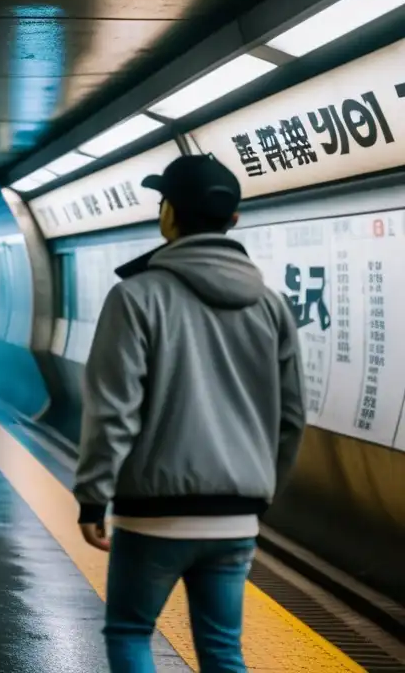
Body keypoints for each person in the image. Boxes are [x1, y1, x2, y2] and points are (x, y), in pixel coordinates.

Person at [74, 154, 307, 672]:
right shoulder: (272, 306)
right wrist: (259, 495)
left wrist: (93, 498)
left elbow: (113, 409)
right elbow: (292, 418)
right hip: (237, 513)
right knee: (223, 649)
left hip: (152, 514)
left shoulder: (135, 297)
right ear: (234, 221)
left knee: (132, 631)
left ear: (169, 216)